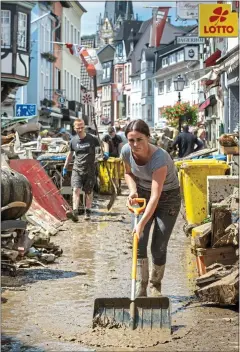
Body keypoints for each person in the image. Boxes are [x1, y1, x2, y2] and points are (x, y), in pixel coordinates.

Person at [121, 119, 181, 297]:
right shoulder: (126, 151)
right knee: (139, 242)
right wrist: (132, 191)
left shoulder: (159, 159)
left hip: (167, 198)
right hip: (142, 194)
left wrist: (140, 224)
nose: (135, 144)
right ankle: (141, 286)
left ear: (148, 138)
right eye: (131, 140)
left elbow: (156, 197)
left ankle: (155, 285)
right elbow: (128, 172)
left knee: (158, 245)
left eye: (139, 139)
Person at [62, 118, 100, 221]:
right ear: (74, 128)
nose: (80, 129)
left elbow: (102, 144)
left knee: (88, 191)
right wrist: (65, 167)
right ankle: (75, 213)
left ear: (84, 127)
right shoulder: (73, 141)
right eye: (78, 128)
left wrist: (105, 153)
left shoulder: (92, 139)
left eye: (82, 127)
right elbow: (70, 155)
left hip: (90, 169)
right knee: (76, 189)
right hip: (77, 169)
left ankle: (88, 211)